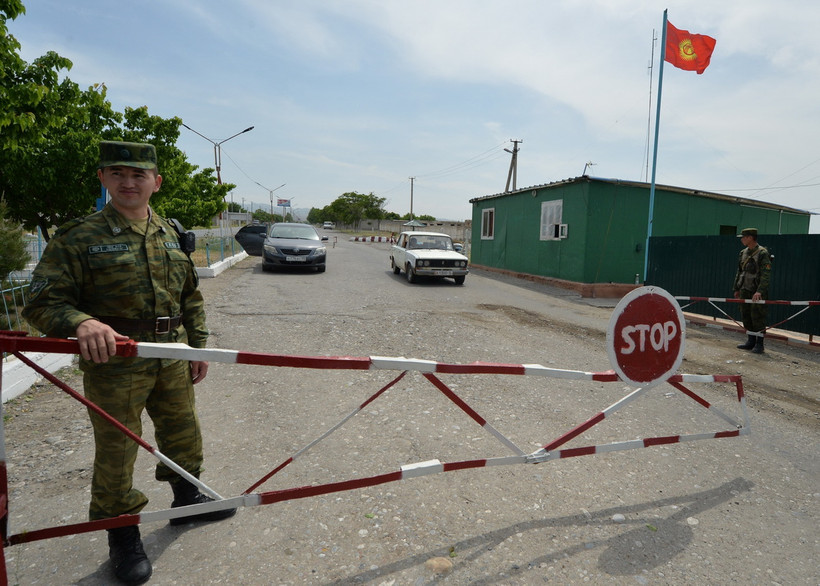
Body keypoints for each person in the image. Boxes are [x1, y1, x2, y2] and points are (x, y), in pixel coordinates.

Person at [22, 141, 235, 584]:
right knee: (118, 450)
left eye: (139, 175)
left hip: (172, 353)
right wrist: (80, 322)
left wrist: (199, 345)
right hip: (116, 362)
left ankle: (186, 500)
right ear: (102, 179)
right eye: (117, 173)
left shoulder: (171, 231)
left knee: (183, 430)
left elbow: (189, 296)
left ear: (156, 182)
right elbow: (41, 301)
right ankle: (120, 533)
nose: (128, 182)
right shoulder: (79, 236)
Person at [732, 227, 772, 354]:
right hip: (745, 289)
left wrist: (760, 291)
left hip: (756, 291)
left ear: (750, 238)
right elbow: (740, 272)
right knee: (746, 316)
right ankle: (750, 341)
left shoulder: (762, 253)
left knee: (757, 317)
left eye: (744, 237)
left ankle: (759, 344)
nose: (742, 240)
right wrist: (737, 288)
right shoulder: (743, 252)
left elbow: (766, 274)